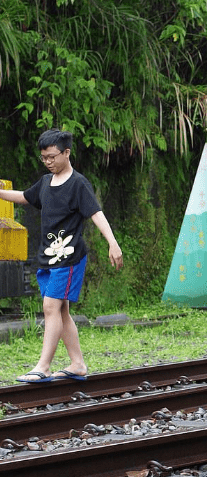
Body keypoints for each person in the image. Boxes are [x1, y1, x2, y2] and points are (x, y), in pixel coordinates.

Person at [0, 129, 123, 383]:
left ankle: (43, 367)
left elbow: (96, 214)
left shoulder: (78, 184)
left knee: (50, 307)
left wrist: (113, 243)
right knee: (62, 310)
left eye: (52, 156)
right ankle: (77, 364)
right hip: (48, 258)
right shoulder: (45, 183)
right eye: (44, 157)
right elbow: (24, 196)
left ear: (67, 153)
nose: (48, 162)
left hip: (69, 258)